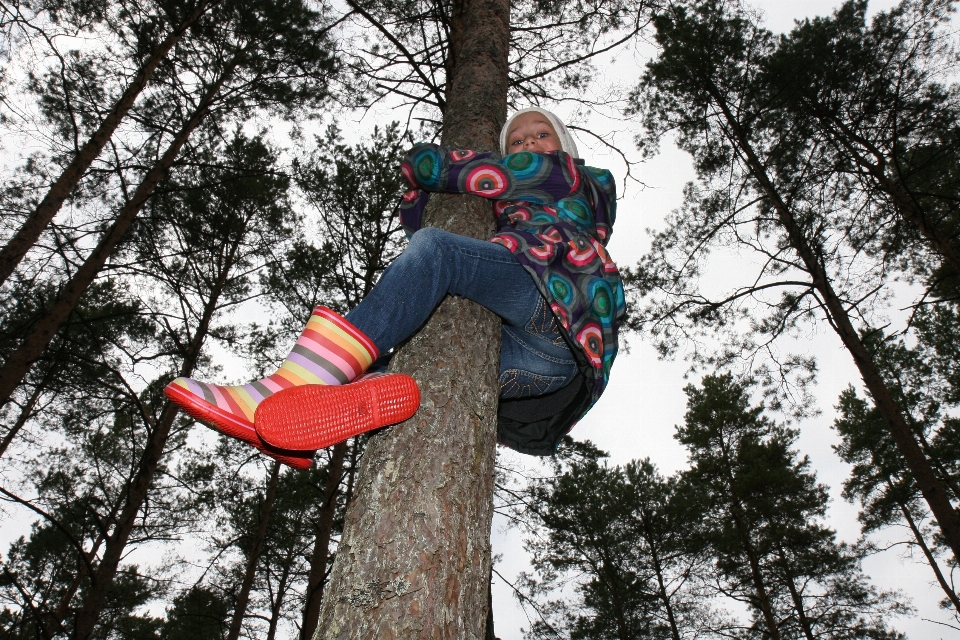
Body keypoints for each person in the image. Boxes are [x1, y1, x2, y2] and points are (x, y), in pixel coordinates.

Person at [165, 107, 626, 468]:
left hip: (553, 297)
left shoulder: (565, 173)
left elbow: (430, 171)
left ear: (562, 142)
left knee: (438, 250)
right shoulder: (530, 192)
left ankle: (289, 386)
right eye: (517, 141)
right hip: (549, 367)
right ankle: (303, 423)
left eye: (538, 135)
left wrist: (418, 172)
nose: (528, 144)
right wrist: (422, 197)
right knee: (423, 366)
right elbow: (418, 219)